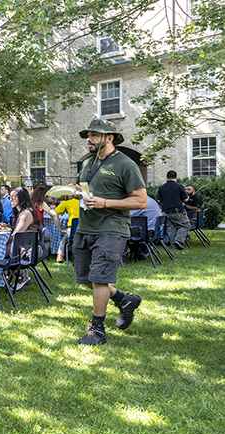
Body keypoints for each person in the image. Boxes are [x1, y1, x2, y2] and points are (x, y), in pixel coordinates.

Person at [74, 119, 147, 345]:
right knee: (85, 278)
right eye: (88, 135)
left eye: (94, 135)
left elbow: (141, 201)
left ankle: (97, 331)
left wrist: (106, 203)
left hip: (111, 229)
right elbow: (83, 189)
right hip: (85, 227)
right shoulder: (89, 164)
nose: (89, 139)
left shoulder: (125, 164)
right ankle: (125, 300)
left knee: (99, 278)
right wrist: (74, 193)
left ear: (109, 138)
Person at [6, 187, 41, 291]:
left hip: (28, 249)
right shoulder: (22, 212)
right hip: (24, 245)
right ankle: (19, 277)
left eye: (13, 197)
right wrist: (10, 228)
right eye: (9, 197)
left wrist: (5, 242)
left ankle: (17, 278)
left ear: (21, 198)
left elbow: (17, 235)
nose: (10, 199)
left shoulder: (26, 213)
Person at [156, 170, 189, 250]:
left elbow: (158, 200)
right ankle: (179, 240)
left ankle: (175, 247)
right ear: (176, 177)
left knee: (171, 228)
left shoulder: (162, 187)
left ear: (167, 177)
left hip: (166, 211)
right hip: (177, 211)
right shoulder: (179, 186)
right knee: (186, 225)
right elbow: (185, 198)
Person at [54, 195, 80, 262]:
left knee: (64, 238)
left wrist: (61, 229)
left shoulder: (66, 202)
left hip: (72, 230)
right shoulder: (83, 201)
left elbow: (55, 213)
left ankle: (60, 255)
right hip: (85, 228)